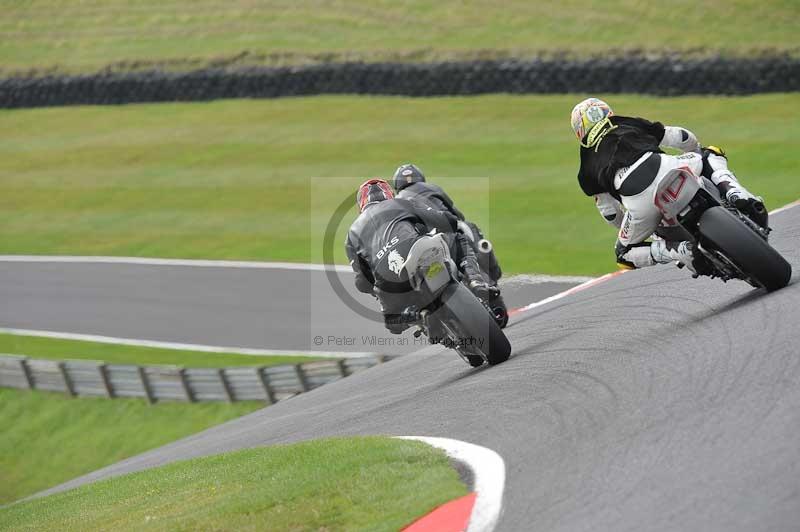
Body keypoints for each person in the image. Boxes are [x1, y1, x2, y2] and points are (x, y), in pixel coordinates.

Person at [571, 97, 768, 271]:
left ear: (580, 131)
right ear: (607, 112)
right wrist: (695, 150)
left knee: (623, 255)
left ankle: (681, 251)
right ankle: (736, 193)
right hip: (667, 166)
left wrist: (633, 226)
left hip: (638, 201)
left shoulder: (585, 168)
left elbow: (610, 214)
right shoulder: (624, 122)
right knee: (711, 154)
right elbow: (680, 136)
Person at [345, 178, 494, 333]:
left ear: (361, 204)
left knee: (392, 323)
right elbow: (443, 220)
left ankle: (416, 316)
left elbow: (361, 282)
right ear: (388, 194)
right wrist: (449, 222)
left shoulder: (351, 234)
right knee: (458, 237)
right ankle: (474, 279)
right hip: (418, 251)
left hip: (388, 279)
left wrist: (377, 289)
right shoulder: (400, 203)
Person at [392, 163, 502, 283]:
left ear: (397, 185)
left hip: (420, 245)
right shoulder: (432, 188)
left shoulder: (396, 201)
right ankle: (488, 273)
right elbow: (458, 216)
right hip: (446, 232)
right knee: (469, 227)